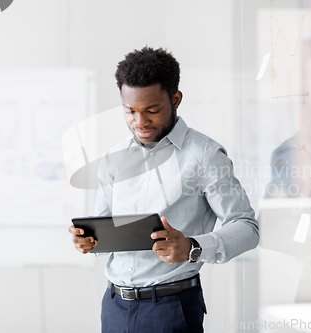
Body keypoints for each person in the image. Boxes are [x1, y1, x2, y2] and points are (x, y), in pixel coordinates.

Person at [68, 46, 259, 333]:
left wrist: (192, 247)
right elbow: (105, 227)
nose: (140, 122)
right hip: (114, 306)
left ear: (176, 99)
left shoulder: (205, 155)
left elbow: (247, 227)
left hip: (170, 309)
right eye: (130, 111)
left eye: (152, 110)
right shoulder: (112, 158)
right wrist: (90, 241)